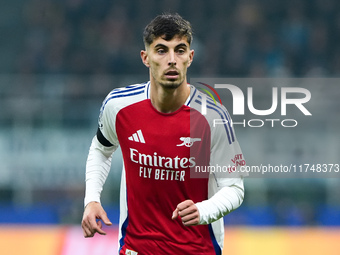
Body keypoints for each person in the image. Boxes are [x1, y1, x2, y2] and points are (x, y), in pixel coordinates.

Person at [82, 13, 246, 255]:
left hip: (197, 249)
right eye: (161, 50)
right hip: (137, 247)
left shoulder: (213, 117)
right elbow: (101, 149)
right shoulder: (118, 106)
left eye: (179, 50)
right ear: (145, 57)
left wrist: (204, 210)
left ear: (190, 57)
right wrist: (92, 199)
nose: (172, 59)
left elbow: (234, 188)